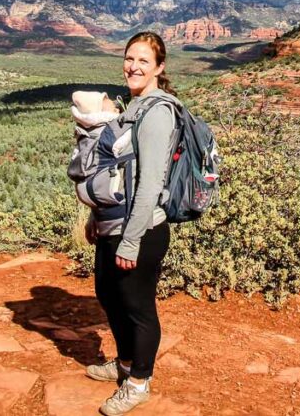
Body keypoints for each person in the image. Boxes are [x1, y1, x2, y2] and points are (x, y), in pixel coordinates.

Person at [85, 31, 177, 416]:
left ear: (159, 68)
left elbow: (150, 183)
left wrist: (130, 241)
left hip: (142, 230)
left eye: (143, 61)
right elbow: (117, 170)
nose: (133, 66)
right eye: (129, 58)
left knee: (137, 306)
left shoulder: (157, 112)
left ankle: (138, 382)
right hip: (115, 224)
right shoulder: (133, 106)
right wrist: (96, 215)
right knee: (108, 293)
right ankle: (123, 364)